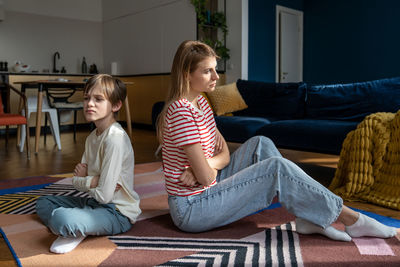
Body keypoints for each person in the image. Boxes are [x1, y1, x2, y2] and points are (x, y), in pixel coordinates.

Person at [157, 40, 399, 241]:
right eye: (207, 70)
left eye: (215, 69)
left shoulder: (200, 104)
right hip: (193, 208)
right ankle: (352, 219)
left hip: (206, 187)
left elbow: (223, 156)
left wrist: (206, 164)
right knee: (276, 168)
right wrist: (208, 168)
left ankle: (309, 217)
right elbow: (208, 177)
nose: (216, 76)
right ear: (186, 74)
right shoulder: (181, 112)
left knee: (260, 143)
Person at [36, 74, 141, 254]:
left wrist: (87, 181)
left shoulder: (115, 139)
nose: (89, 103)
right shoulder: (92, 137)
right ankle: (79, 227)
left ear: (116, 105)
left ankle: (74, 227)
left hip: (117, 213)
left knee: (61, 218)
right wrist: (92, 182)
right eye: (86, 98)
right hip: (94, 203)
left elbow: (105, 196)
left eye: (98, 99)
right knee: (43, 202)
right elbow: (77, 182)